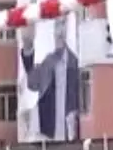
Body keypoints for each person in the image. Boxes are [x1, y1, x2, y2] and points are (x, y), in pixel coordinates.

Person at [19, 14, 79, 142]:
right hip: (47, 135)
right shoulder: (48, 62)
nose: (59, 31)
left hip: (70, 136)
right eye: (57, 25)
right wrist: (28, 47)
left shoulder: (75, 63)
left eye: (63, 24)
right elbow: (32, 82)